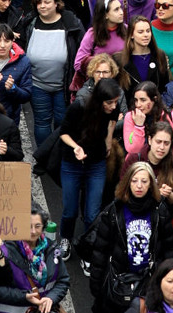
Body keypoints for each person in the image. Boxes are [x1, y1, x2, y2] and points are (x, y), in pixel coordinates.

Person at [90, 162, 173, 313]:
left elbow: (169, 248)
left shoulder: (160, 211)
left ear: (151, 184)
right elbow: (100, 249)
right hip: (119, 279)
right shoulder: (114, 211)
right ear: (127, 183)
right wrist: (96, 283)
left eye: (144, 181)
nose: (139, 185)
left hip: (149, 280)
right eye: (135, 180)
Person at [57, 78, 122, 258]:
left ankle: (88, 246)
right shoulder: (79, 107)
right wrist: (76, 147)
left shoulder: (112, 109)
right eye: (109, 102)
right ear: (99, 100)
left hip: (96, 163)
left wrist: (108, 140)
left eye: (116, 102)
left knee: (92, 211)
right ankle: (66, 238)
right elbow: (63, 132)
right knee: (70, 208)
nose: (113, 106)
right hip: (72, 163)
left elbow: (113, 120)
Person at [24, 0, 85, 147]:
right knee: (41, 123)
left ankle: (58, 160)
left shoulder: (71, 23)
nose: (42, 6)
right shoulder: (30, 23)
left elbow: (82, 49)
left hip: (64, 85)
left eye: (47, 2)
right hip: (37, 84)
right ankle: (43, 159)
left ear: (57, 3)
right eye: (39, 3)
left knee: (62, 122)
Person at [122, 122, 173, 218]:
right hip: (135, 215)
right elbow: (122, 193)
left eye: (166, 143)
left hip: (163, 219)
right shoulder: (134, 160)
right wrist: (153, 193)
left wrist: (169, 195)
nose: (162, 147)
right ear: (149, 140)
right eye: (158, 142)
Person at [123, 81, 173, 157]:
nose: (138, 104)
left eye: (143, 100)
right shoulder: (130, 116)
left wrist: (163, 148)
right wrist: (139, 126)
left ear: (154, 99)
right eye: (136, 100)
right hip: (139, 164)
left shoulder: (171, 115)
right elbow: (133, 150)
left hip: (165, 163)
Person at [71, 0, 127, 91]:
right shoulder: (92, 34)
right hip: (99, 88)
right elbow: (78, 64)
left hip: (123, 85)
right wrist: (104, 65)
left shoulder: (127, 30)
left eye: (121, 8)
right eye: (116, 9)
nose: (121, 12)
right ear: (105, 15)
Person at [115, 17, 173, 101]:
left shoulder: (159, 55)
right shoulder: (119, 59)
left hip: (155, 108)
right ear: (131, 35)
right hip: (130, 110)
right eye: (140, 32)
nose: (146, 35)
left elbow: (165, 86)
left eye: (148, 31)